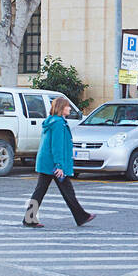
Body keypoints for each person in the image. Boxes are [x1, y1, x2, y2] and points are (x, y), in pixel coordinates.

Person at [24, 96, 94, 229]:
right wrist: (59, 166)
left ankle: (81, 216)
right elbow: (57, 146)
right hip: (53, 165)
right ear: (61, 108)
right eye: (67, 106)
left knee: (44, 191)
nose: (69, 108)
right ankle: (81, 216)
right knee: (60, 191)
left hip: (47, 162)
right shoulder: (58, 124)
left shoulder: (52, 121)